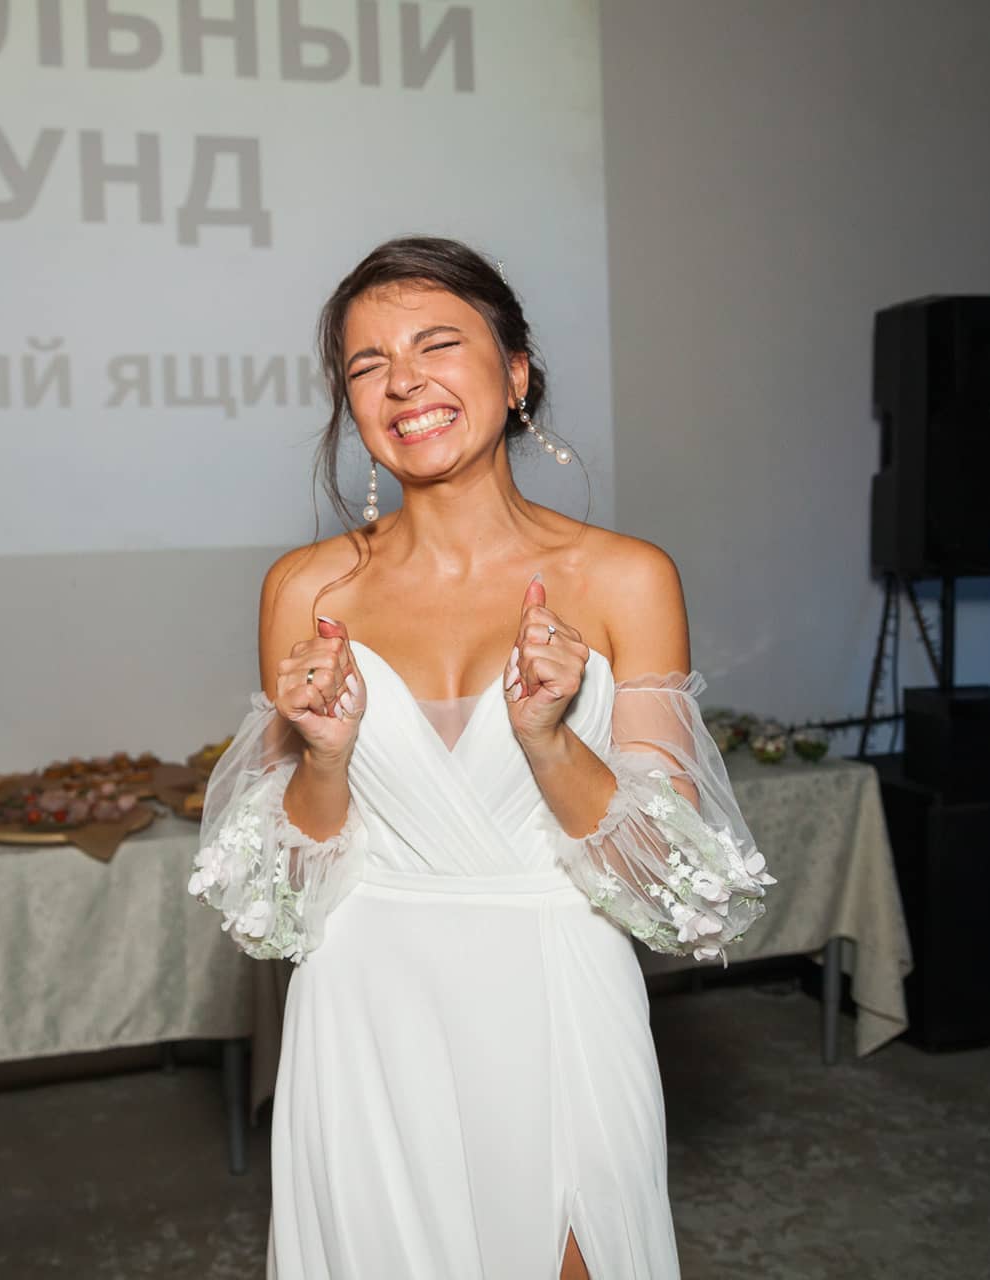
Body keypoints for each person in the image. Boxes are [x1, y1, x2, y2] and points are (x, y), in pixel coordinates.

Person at [189, 237, 775, 1278]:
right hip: (363, 1009)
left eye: (436, 345)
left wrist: (549, 740)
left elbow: (677, 887)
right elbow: (274, 905)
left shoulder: (625, 579)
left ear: (515, 373)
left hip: (557, 991)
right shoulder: (306, 590)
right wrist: (323, 759)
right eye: (368, 364)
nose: (402, 381)